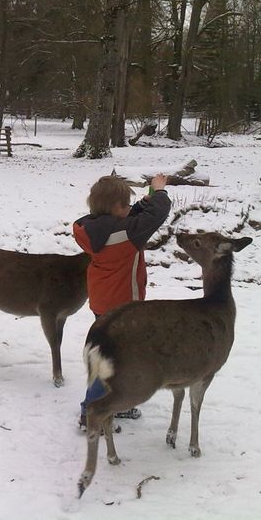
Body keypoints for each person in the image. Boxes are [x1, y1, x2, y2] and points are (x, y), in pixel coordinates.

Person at [73, 173, 171, 429]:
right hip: (123, 307)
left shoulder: (89, 227)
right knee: (111, 358)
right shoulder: (126, 235)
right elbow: (157, 215)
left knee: (113, 355)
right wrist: (159, 192)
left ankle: (114, 402)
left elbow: (131, 217)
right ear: (115, 209)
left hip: (102, 301)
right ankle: (91, 413)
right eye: (126, 204)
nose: (130, 208)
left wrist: (145, 198)